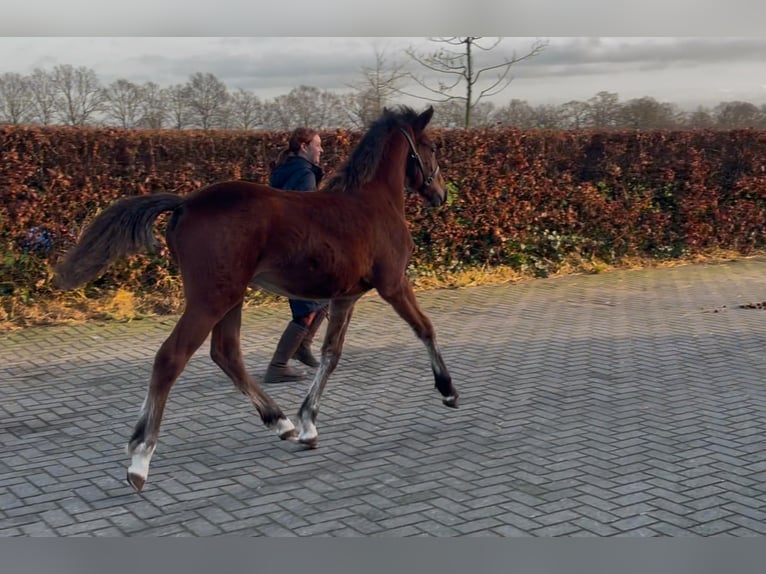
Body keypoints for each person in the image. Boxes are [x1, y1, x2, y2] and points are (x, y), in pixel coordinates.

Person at [263, 127, 329, 384]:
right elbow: (302, 219)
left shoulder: (287, 170)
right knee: (307, 307)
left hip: (284, 247)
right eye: (317, 144)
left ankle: (303, 347)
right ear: (303, 146)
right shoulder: (303, 175)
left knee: (327, 297)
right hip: (297, 251)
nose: (321, 149)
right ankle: (277, 366)